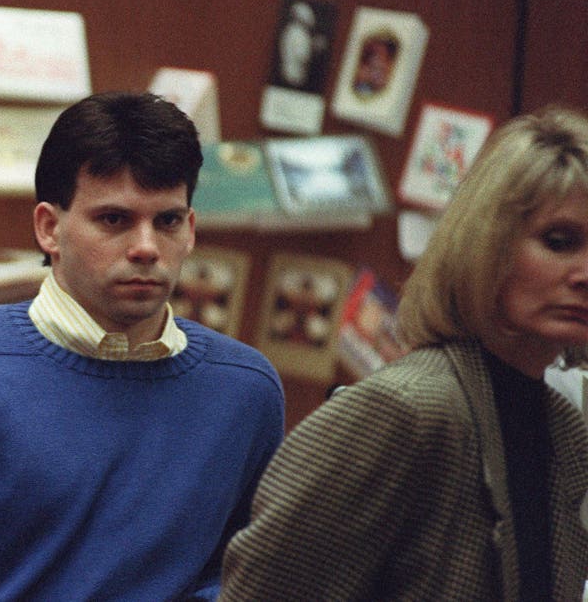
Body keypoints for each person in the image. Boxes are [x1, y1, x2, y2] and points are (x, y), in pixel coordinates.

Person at [0, 91, 285, 600]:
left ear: (192, 229)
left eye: (168, 221)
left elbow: (243, 578)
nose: (146, 248)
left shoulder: (245, 389)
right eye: (114, 219)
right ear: (49, 228)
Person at [220, 106, 588, 601]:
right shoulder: (403, 410)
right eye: (559, 241)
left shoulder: (565, 432)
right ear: (488, 246)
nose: (584, 272)